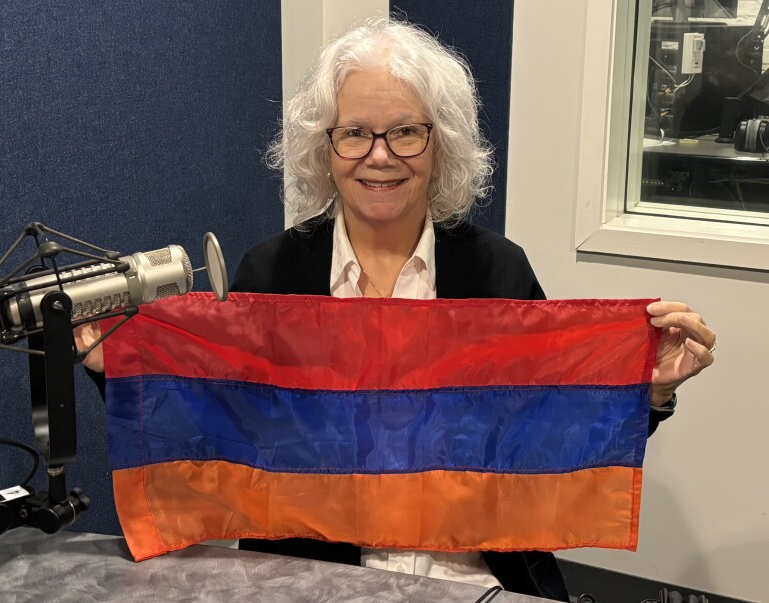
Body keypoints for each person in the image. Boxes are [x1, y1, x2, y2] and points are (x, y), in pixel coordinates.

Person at [80, 17, 717, 600]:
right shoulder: (272, 275)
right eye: (355, 133)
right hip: (314, 579)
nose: (379, 156)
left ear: (441, 145)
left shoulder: (496, 272)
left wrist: (650, 391)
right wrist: (121, 363)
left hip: (476, 578)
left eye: (406, 132)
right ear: (323, 149)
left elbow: (554, 424)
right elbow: (212, 425)